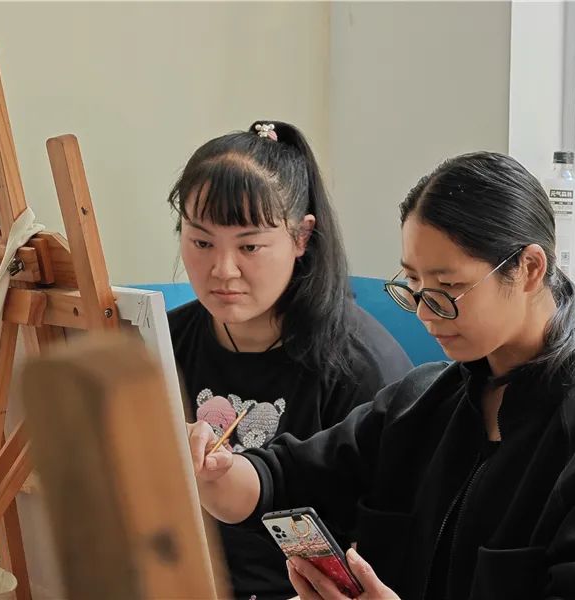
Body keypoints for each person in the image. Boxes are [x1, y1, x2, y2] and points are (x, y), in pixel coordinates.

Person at [188, 151, 575, 599]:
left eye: (448, 287)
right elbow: (288, 479)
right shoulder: (421, 402)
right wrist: (216, 471)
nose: (426, 313)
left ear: (530, 268)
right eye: (413, 283)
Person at [166, 120, 413, 600]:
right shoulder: (164, 343)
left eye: (249, 246)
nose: (223, 270)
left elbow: (385, 546)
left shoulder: (363, 366)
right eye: (201, 242)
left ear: (302, 237)